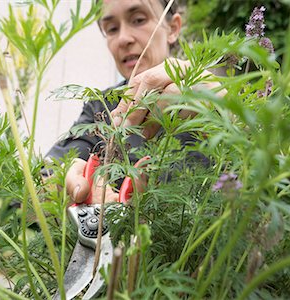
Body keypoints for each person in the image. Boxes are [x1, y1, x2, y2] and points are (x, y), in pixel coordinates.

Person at [45, 0, 222, 203]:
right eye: (111, 29)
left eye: (138, 20)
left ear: (173, 28)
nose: (123, 39)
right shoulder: (101, 108)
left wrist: (225, 111)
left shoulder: (208, 95)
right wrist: (62, 179)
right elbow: (50, 170)